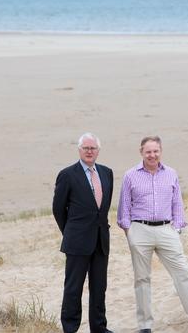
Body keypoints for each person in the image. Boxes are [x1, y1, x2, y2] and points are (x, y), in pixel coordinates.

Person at [117, 136, 188, 333]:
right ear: (141, 152)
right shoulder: (130, 175)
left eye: (155, 151)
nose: (152, 155)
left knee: (183, 273)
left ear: (161, 151)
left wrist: (176, 229)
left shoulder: (171, 174)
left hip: (166, 230)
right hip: (140, 230)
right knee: (142, 279)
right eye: (148, 151)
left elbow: (177, 203)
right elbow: (123, 208)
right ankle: (145, 325)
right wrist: (130, 232)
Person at [53, 132, 114, 333]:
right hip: (77, 241)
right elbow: (58, 209)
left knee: (99, 288)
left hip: (100, 241)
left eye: (93, 148)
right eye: (86, 148)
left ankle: (99, 327)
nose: (89, 151)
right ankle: (70, 328)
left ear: (98, 151)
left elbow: (103, 208)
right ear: (79, 150)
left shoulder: (107, 173)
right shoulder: (67, 175)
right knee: (73, 289)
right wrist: (70, 232)